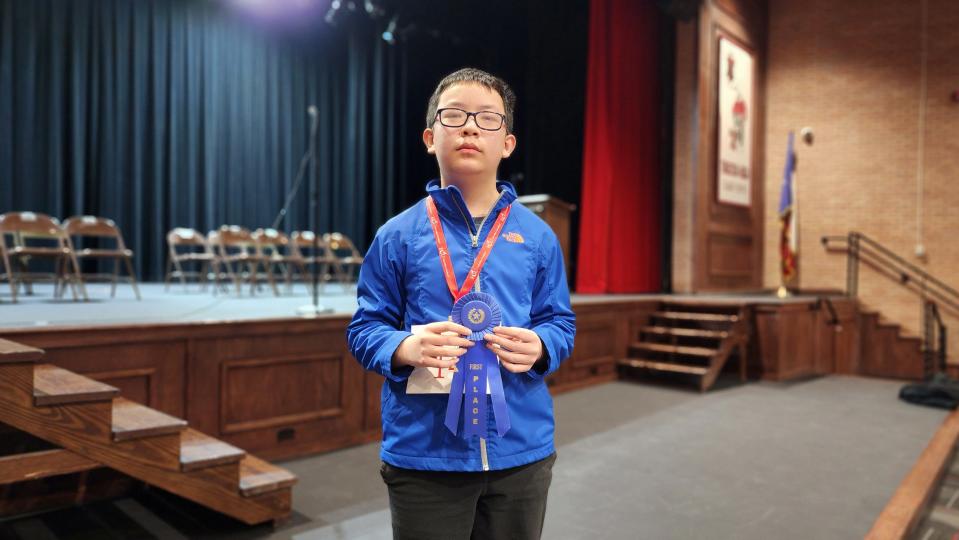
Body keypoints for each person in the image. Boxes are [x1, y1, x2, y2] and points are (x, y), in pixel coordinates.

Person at [346, 67, 575, 540]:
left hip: (521, 451)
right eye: (455, 116)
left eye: (488, 118)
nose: (470, 127)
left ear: (507, 143)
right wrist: (403, 349)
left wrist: (541, 346)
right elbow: (365, 328)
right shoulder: (396, 236)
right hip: (425, 455)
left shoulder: (537, 236)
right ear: (430, 137)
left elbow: (559, 322)